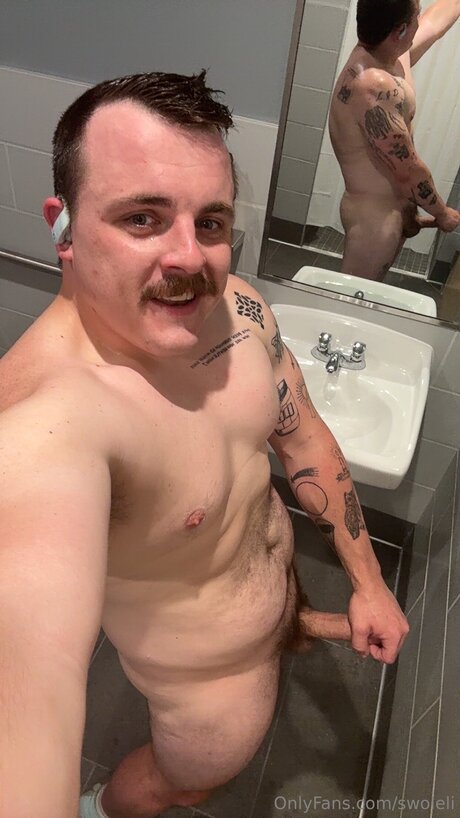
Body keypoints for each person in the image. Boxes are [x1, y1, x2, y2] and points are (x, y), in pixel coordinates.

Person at [0, 71, 409, 818]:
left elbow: (303, 437)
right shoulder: (42, 427)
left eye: (210, 222)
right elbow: (24, 704)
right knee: (176, 785)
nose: (190, 258)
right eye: (143, 218)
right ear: (63, 229)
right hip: (207, 685)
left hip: (274, 601)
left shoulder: (239, 309)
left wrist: (368, 582)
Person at [329, 0, 460, 281]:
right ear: (400, 30)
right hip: (373, 220)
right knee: (351, 299)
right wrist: (442, 213)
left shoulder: (390, 55)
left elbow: (435, 23)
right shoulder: (372, 84)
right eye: (416, 17)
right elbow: (407, 170)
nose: (420, 22)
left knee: (367, 295)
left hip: (391, 210)